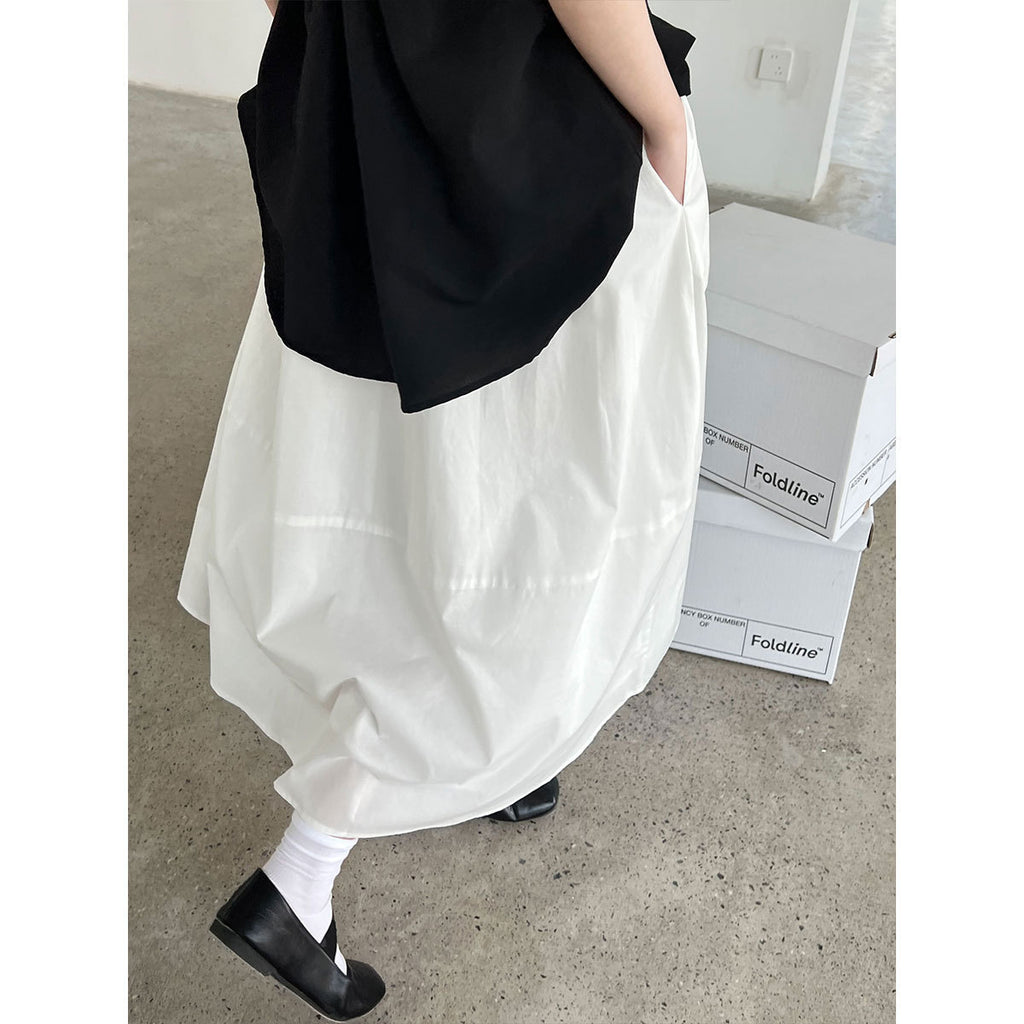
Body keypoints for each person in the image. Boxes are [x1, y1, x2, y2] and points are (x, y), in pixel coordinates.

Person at [176, 1, 710, 1019]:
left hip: (358, 140)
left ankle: (501, 758)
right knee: (537, 500)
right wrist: (665, 122)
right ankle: (303, 873)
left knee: (403, 477)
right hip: (527, 151)